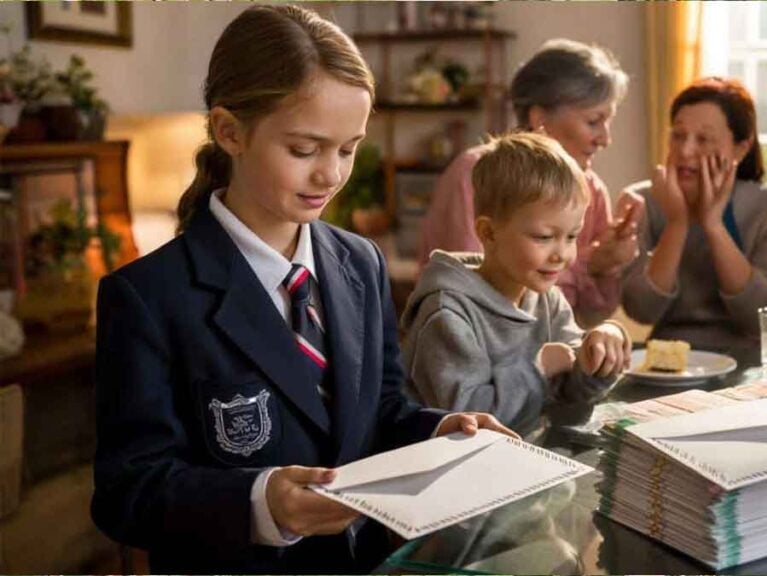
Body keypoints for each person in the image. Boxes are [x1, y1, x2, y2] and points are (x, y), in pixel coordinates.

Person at [90, 6, 514, 573]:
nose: (331, 175)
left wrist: (440, 428)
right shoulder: (148, 295)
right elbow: (127, 492)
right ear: (230, 131)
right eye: (304, 149)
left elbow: (382, 410)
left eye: (348, 148)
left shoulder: (360, 261)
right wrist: (261, 502)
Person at [402, 133, 631, 436]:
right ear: (489, 233)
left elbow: (571, 399)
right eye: (543, 237)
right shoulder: (446, 313)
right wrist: (538, 368)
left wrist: (596, 359)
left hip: (526, 462)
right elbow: (468, 422)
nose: (561, 254)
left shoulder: (548, 297)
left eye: (572, 236)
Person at [418, 39, 644, 328]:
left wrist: (609, 264)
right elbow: (482, 303)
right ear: (540, 119)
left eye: (607, 122)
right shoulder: (476, 174)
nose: (605, 139)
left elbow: (589, 318)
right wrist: (589, 264)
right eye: (593, 121)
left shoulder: (591, 187)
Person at [621, 77, 767, 349]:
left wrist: (713, 224)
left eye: (703, 139)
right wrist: (677, 223)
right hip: (668, 362)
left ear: (741, 147)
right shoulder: (642, 200)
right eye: (678, 135)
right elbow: (641, 310)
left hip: (750, 367)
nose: (685, 150)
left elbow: (761, 318)